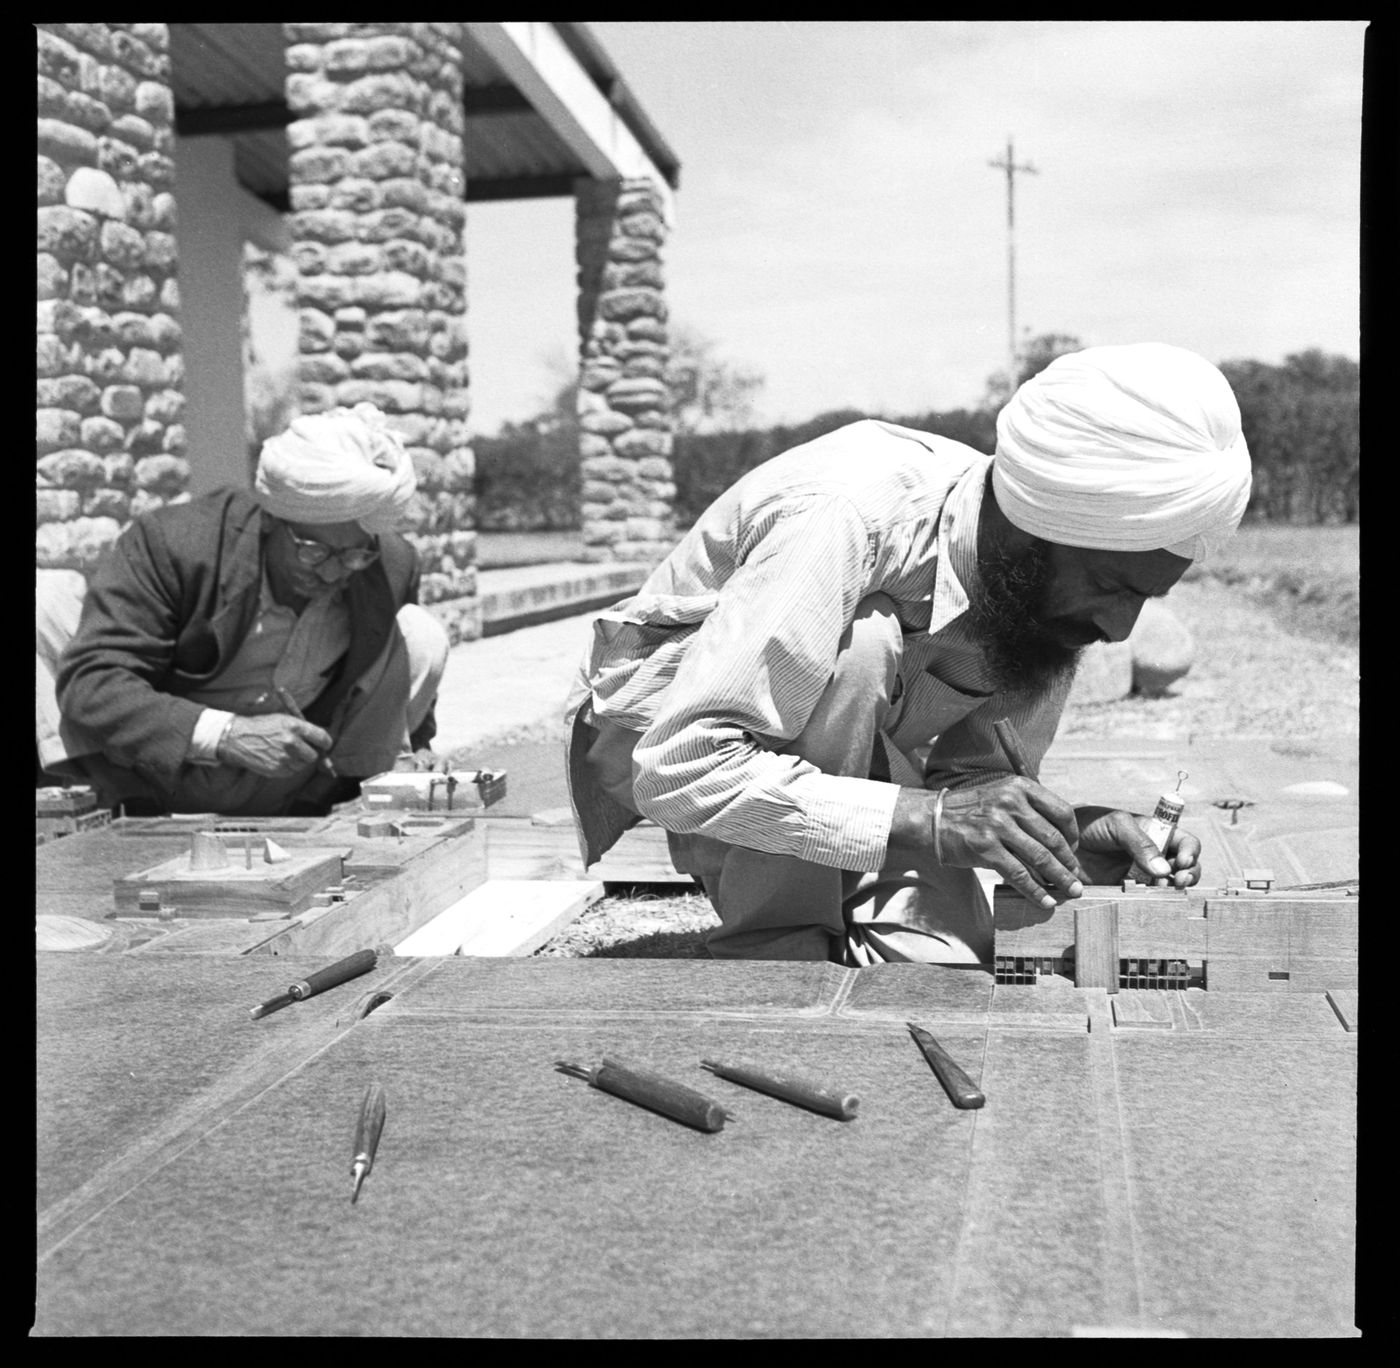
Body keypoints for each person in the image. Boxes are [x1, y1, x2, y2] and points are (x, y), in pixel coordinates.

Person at [565, 343, 1253, 964]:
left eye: (1143, 597)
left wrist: (1071, 836)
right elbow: (680, 768)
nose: (1120, 628)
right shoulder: (844, 516)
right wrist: (926, 818)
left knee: (946, 967)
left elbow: (970, 789)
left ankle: (837, 908)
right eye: (1109, 587)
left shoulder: (1033, 584)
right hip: (664, 739)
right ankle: (778, 942)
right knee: (863, 642)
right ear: (1033, 534)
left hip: (856, 755)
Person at [36, 403, 451, 817]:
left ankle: (354, 802)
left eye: (353, 556)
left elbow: (398, 669)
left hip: (293, 779)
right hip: (158, 769)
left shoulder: (389, 564)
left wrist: (420, 743)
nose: (332, 572)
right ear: (270, 520)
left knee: (419, 632)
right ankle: (86, 808)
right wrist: (228, 735)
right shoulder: (177, 543)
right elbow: (94, 680)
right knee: (44, 601)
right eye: (313, 552)